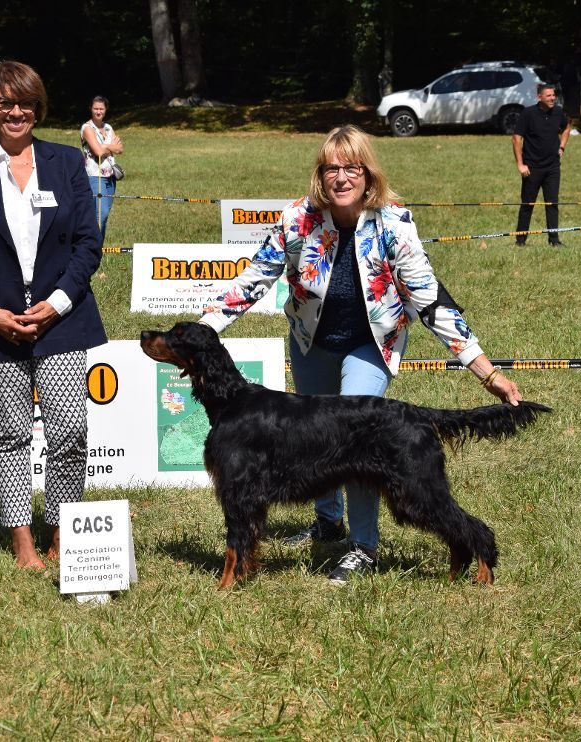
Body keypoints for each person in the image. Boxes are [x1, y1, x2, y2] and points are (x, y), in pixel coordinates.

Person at [199, 125, 524, 585]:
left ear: (368, 174)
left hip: (371, 342)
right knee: (314, 440)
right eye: (331, 168)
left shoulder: (394, 224)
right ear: (320, 175)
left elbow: (430, 300)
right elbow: (253, 280)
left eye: (352, 167)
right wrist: (203, 330)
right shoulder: (297, 220)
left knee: (358, 436)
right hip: (313, 340)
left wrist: (487, 373)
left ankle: (363, 547)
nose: (341, 177)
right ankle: (328, 522)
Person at [0, 60, 107, 569]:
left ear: (38, 108)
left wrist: (57, 303)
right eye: (5, 103)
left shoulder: (67, 162)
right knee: (10, 434)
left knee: (69, 432)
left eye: (25, 103)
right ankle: (22, 543)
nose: (16, 112)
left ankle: (62, 533)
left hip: (62, 318)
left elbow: (88, 243)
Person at [513, 83, 571, 246]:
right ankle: (520, 241)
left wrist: (562, 146)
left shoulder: (558, 112)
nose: (553, 98)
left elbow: (567, 128)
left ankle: (554, 240)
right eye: (549, 96)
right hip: (532, 168)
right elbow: (516, 138)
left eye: (554, 95)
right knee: (527, 205)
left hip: (553, 167)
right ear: (540, 97)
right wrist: (520, 165)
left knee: (552, 204)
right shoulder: (528, 113)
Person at [81, 96, 123, 237]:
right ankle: (92, 246)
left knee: (104, 217)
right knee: (100, 214)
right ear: (90, 109)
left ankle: (99, 246)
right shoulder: (87, 128)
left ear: (105, 110)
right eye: (96, 108)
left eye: (101, 109)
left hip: (110, 176)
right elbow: (98, 152)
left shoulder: (108, 127)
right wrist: (111, 147)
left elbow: (120, 149)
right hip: (95, 177)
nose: (98, 111)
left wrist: (104, 147)